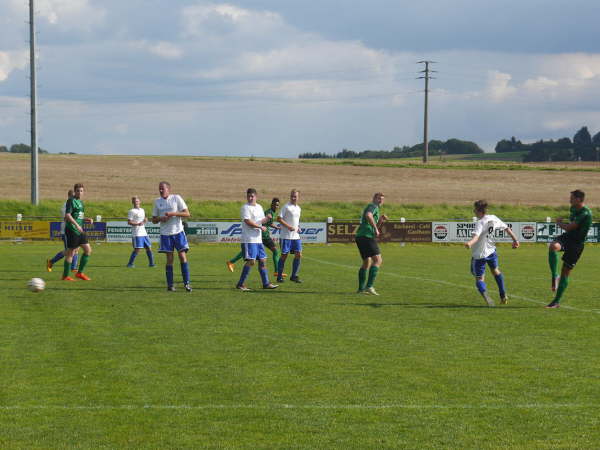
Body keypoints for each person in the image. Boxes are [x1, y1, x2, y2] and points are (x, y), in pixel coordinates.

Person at [464, 200, 520, 307]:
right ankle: (503, 294)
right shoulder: (493, 218)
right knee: (495, 271)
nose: (473, 211)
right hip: (491, 251)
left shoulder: (480, 222)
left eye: (474, 209)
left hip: (479, 254)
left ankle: (486, 297)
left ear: (478, 210)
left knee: (479, 279)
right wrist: (515, 240)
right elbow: (506, 228)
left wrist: (469, 243)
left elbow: (476, 237)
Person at [545, 189, 592, 309]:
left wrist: (559, 223)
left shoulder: (585, 213)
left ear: (578, 199)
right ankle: (554, 276)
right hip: (567, 238)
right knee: (553, 246)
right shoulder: (573, 209)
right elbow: (570, 226)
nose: (569, 200)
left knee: (565, 272)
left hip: (576, 244)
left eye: (571, 198)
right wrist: (563, 223)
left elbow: (569, 227)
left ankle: (556, 301)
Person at [226, 197, 285, 278]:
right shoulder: (269, 212)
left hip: (262, 235)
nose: (276, 206)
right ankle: (277, 272)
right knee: (275, 251)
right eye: (274, 204)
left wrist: (276, 227)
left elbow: (268, 223)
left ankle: (231, 262)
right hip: (264, 236)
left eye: (277, 205)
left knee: (251, 253)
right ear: (271, 204)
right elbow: (261, 222)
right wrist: (262, 228)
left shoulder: (272, 212)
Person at [151, 181, 192, 292]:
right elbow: (153, 220)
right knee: (169, 259)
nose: (160, 191)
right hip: (165, 234)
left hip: (178, 232)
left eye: (162, 189)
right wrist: (161, 218)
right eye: (159, 188)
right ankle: (170, 285)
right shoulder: (157, 201)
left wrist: (173, 213)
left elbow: (187, 214)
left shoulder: (176, 198)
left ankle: (187, 284)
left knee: (182, 257)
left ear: (169, 189)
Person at [235, 188, 278, 291]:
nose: (250, 198)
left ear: (256, 196)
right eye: (248, 196)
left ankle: (266, 283)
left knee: (263, 260)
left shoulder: (259, 207)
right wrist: (259, 227)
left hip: (258, 240)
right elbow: (248, 221)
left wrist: (267, 219)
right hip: (249, 239)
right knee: (251, 261)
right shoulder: (245, 207)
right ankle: (240, 284)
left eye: (252, 196)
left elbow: (260, 221)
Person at [355, 192, 388, 295]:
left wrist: (380, 221)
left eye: (382, 199)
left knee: (366, 263)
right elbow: (368, 215)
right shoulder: (372, 206)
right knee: (378, 260)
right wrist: (375, 228)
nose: (380, 201)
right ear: (374, 198)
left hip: (360, 236)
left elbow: (372, 224)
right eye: (379, 198)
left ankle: (361, 289)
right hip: (366, 236)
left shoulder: (374, 208)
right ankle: (369, 286)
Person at [62, 183, 93, 281]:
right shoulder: (71, 201)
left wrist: (86, 219)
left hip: (79, 230)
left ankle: (79, 273)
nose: (80, 192)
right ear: (74, 191)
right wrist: (77, 225)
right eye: (78, 191)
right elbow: (67, 215)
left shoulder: (81, 202)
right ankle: (65, 276)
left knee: (88, 250)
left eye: (81, 191)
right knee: (71, 253)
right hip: (72, 230)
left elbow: (79, 217)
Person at [47, 189, 79, 273]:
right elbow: (66, 217)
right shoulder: (66, 205)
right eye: (73, 196)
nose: (75, 197)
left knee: (75, 249)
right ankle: (52, 262)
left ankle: (73, 267)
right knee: (69, 251)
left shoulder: (74, 204)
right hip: (66, 231)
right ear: (69, 196)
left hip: (73, 230)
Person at [276, 189, 303, 283]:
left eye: (295, 196)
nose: (293, 198)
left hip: (296, 236)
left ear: (298, 197)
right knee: (284, 255)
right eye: (292, 196)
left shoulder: (298, 208)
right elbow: (279, 218)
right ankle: (279, 276)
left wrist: (298, 227)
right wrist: (288, 227)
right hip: (286, 236)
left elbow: (296, 221)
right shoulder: (286, 207)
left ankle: (294, 276)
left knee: (299, 254)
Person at [126, 196, 155, 268]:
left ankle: (151, 264)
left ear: (140, 202)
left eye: (137, 201)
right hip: (137, 233)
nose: (136, 202)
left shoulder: (142, 210)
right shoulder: (131, 211)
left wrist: (145, 220)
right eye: (135, 201)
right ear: (132, 202)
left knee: (148, 247)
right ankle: (130, 263)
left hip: (144, 232)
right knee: (137, 249)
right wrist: (137, 224)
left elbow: (144, 218)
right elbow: (129, 222)